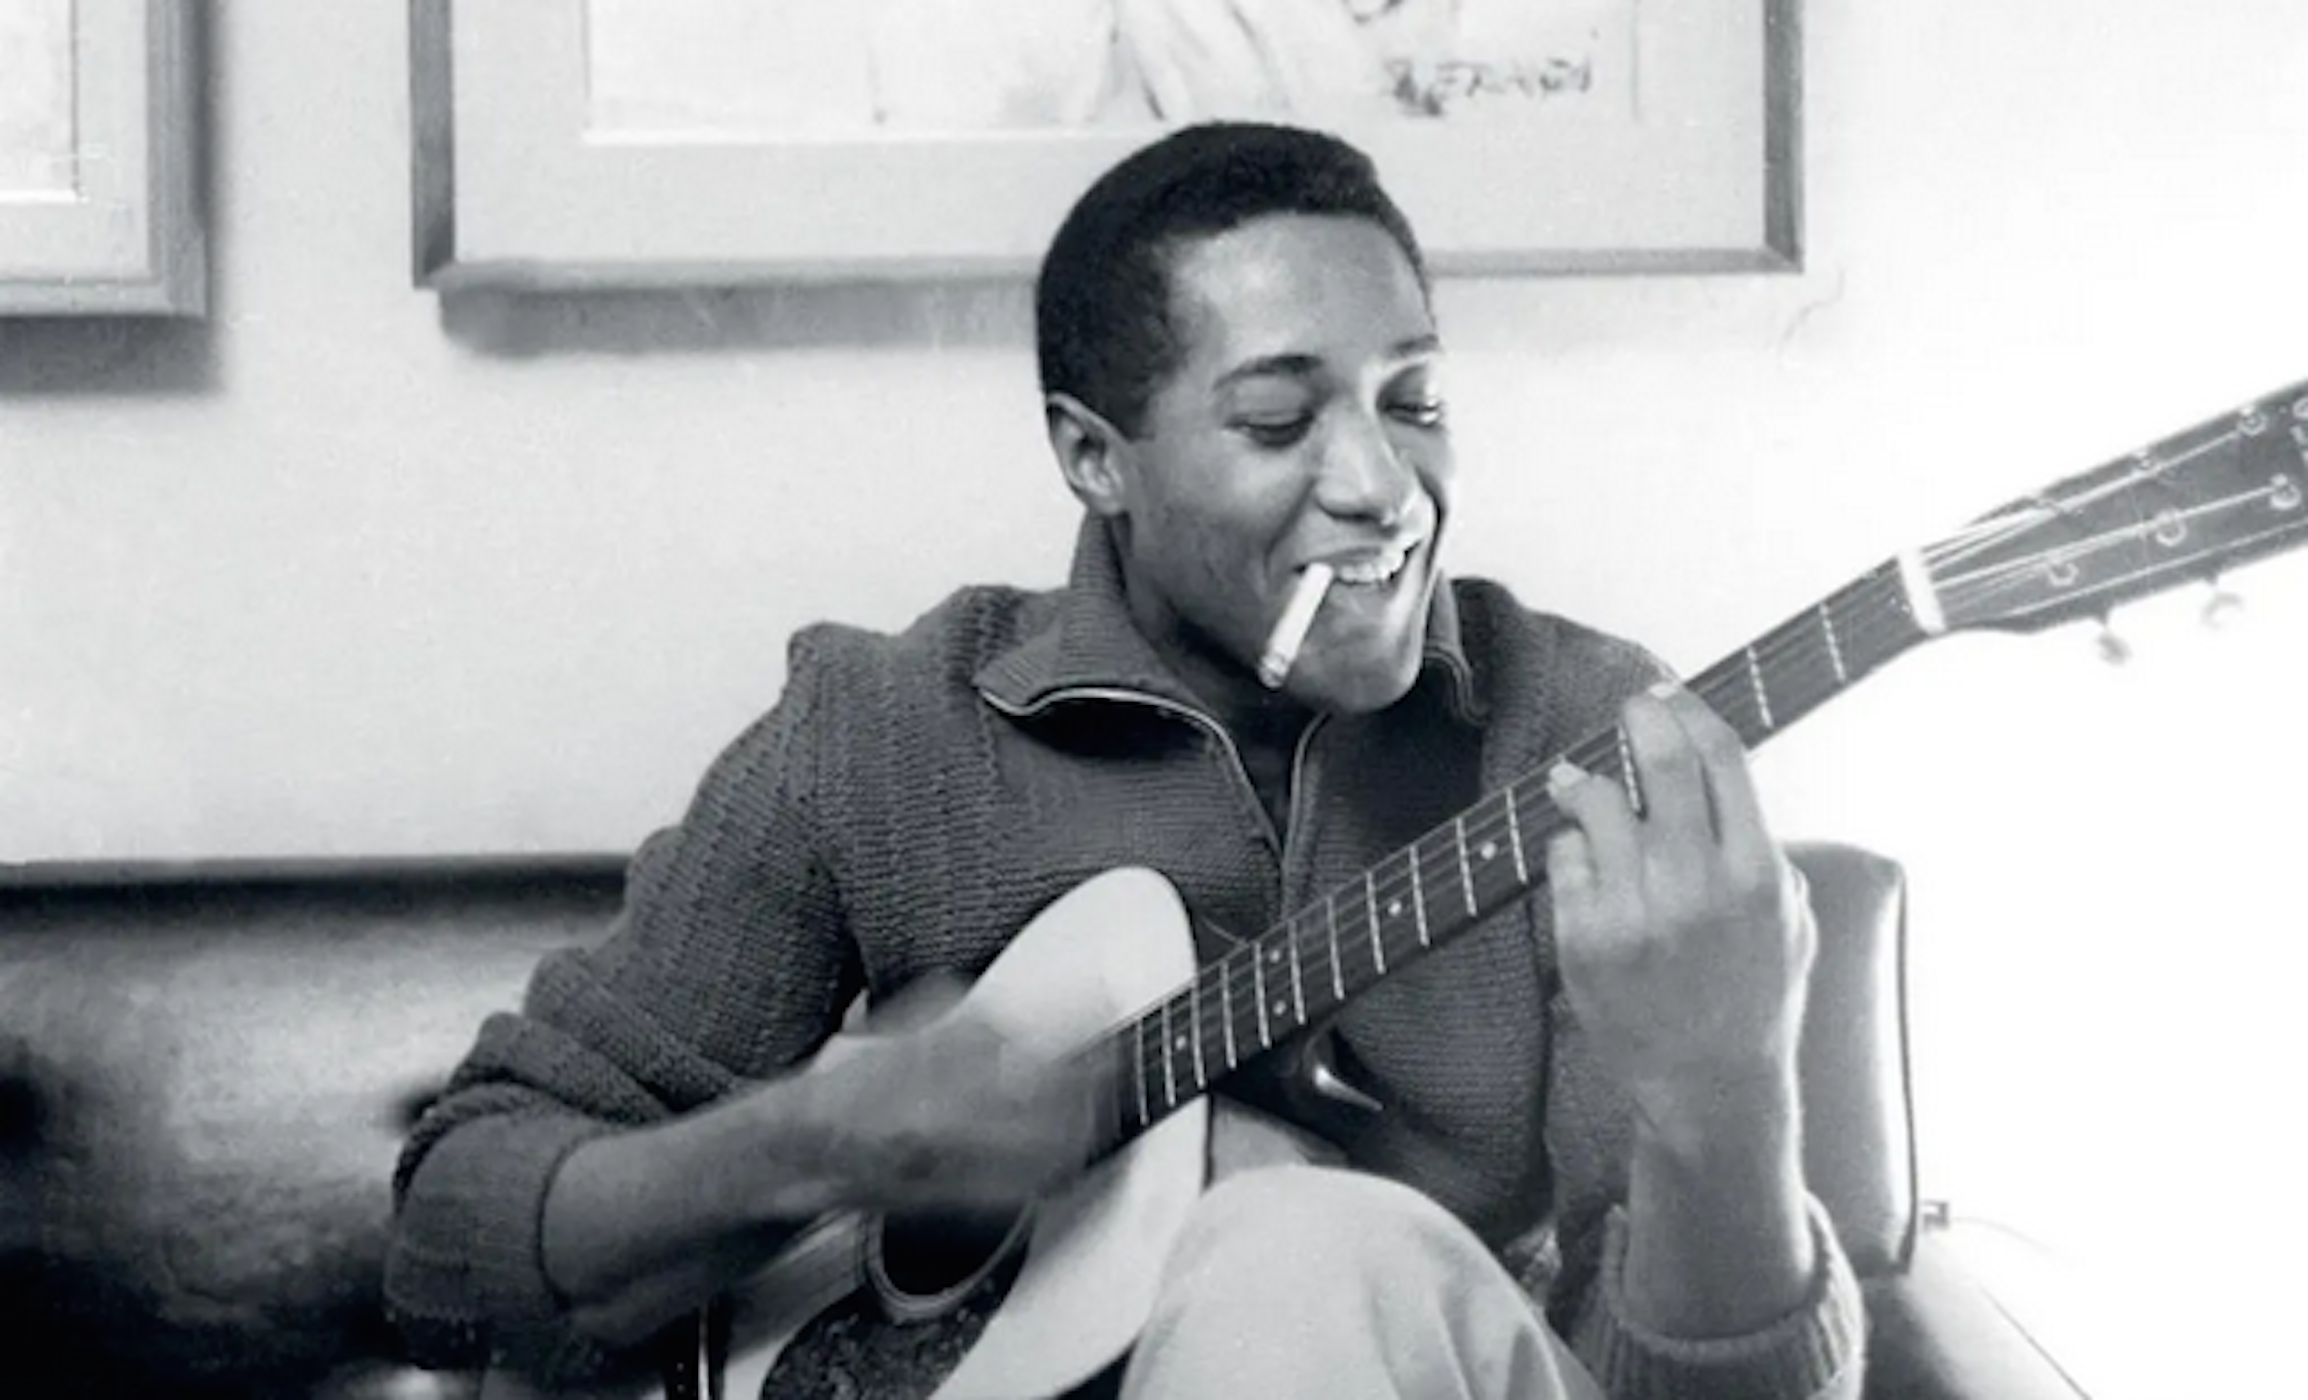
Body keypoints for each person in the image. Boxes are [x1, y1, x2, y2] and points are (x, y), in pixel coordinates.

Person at [384, 121, 1864, 1399]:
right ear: (1096, 457)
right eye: (1278, 419)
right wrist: (813, 1143)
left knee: (1304, 1242)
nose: (1384, 486)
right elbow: (449, 1241)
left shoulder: (1585, 741)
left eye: (1414, 401)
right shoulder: (881, 733)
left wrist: (1725, 1087)